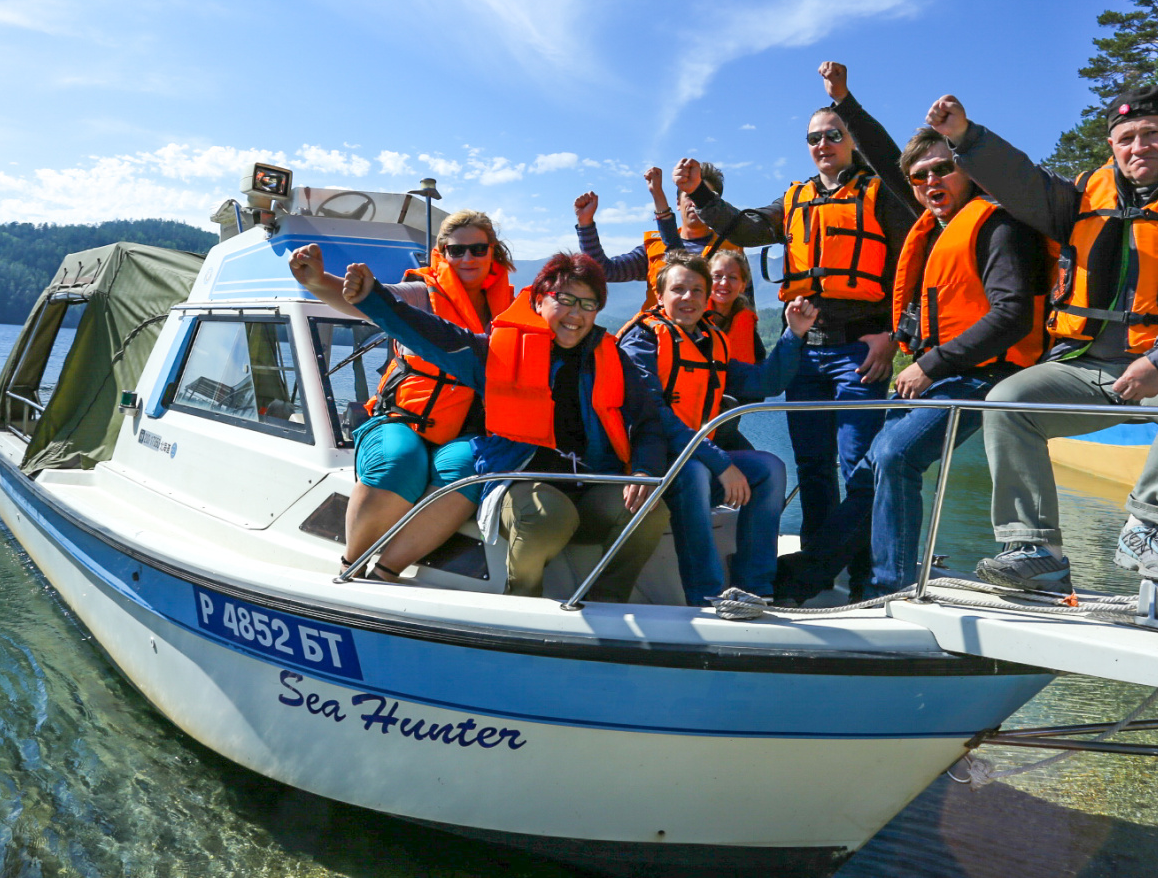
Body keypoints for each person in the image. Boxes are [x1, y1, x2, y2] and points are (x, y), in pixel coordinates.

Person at [925, 85, 1158, 592]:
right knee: (1008, 399)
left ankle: (1150, 528)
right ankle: (1034, 549)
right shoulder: (1082, 197)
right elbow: (1022, 183)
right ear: (1111, 146)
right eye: (1125, 139)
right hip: (1088, 365)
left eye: (1152, 134)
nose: (1138, 147)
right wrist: (966, 138)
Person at [775, 61, 1047, 604]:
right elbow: (884, 157)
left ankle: (890, 589)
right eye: (919, 176)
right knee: (869, 471)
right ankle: (805, 578)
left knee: (896, 456)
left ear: (967, 170)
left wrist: (929, 364)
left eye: (942, 170)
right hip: (935, 373)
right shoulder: (933, 226)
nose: (928, 183)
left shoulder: (998, 225)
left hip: (985, 374)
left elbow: (1013, 314)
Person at [331, 250, 676, 602]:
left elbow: (648, 423)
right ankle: (522, 600)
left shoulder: (613, 358)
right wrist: (374, 299)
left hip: (590, 482)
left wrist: (646, 471)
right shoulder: (498, 352)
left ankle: (607, 605)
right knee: (548, 517)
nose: (576, 314)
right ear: (540, 300)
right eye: (566, 300)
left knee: (650, 512)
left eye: (588, 304)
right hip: (521, 481)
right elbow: (433, 335)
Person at [676, 91, 916, 594]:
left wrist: (895, 338)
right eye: (814, 138)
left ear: (852, 141)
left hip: (860, 351)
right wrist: (699, 193)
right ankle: (815, 570)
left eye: (834, 134)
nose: (823, 144)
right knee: (811, 466)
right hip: (806, 351)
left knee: (859, 466)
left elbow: (911, 272)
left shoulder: (881, 195)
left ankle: (867, 575)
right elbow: (741, 227)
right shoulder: (794, 200)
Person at [289, 212, 515, 581]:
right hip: (401, 418)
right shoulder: (422, 293)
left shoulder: (512, 306)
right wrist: (317, 281)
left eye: (477, 249)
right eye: (457, 251)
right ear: (442, 253)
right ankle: (352, 565)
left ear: (493, 251)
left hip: (464, 431)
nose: (468, 259)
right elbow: (370, 301)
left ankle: (386, 572)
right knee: (399, 461)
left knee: (468, 471)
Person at [619, 256, 816, 604]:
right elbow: (654, 415)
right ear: (659, 295)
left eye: (697, 290)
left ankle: (756, 588)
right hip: (645, 464)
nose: (689, 297)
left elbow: (766, 381)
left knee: (771, 467)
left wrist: (794, 333)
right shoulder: (642, 341)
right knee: (694, 470)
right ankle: (706, 595)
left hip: (694, 457)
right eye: (678, 289)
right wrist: (721, 463)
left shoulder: (711, 342)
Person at [575, 163, 742, 314]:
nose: (695, 203)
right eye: (690, 196)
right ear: (678, 202)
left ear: (716, 205)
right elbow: (605, 270)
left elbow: (744, 304)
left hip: (712, 343)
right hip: (656, 342)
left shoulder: (732, 249)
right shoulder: (654, 248)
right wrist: (585, 224)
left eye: (702, 197)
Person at [703, 248, 763, 452]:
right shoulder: (691, 320)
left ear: (743, 285)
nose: (724, 283)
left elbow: (760, 382)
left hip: (726, 420)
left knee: (762, 467)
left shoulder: (746, 324)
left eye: (732, 277)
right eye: (717, 276)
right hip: (691, 425)